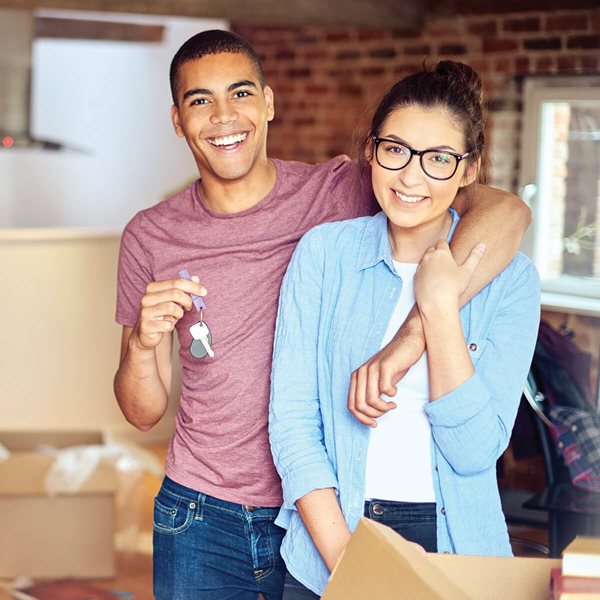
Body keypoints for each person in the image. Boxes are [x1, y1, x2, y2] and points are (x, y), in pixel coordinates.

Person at [113, 28, 531, 600]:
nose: (223, 116)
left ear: (268, 102)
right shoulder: (152, 235)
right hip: (203, 512)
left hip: (326, 509)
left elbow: (502, 210)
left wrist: (416, 332)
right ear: (177, 120)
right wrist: (141, 344)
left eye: (240, 93)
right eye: (199, 101)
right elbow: (143, 412)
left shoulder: (339, 191)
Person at [269, 60, 541, 598]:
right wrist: (349, 561)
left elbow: (475, 452)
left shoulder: (512, 280)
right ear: (370, 150)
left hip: (457, 549)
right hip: (332, 540)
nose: (411, 177)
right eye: (395, 149)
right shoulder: (324, 255)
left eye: (439, 159)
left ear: (468, 171)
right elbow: (294, 423)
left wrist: (439, 309)